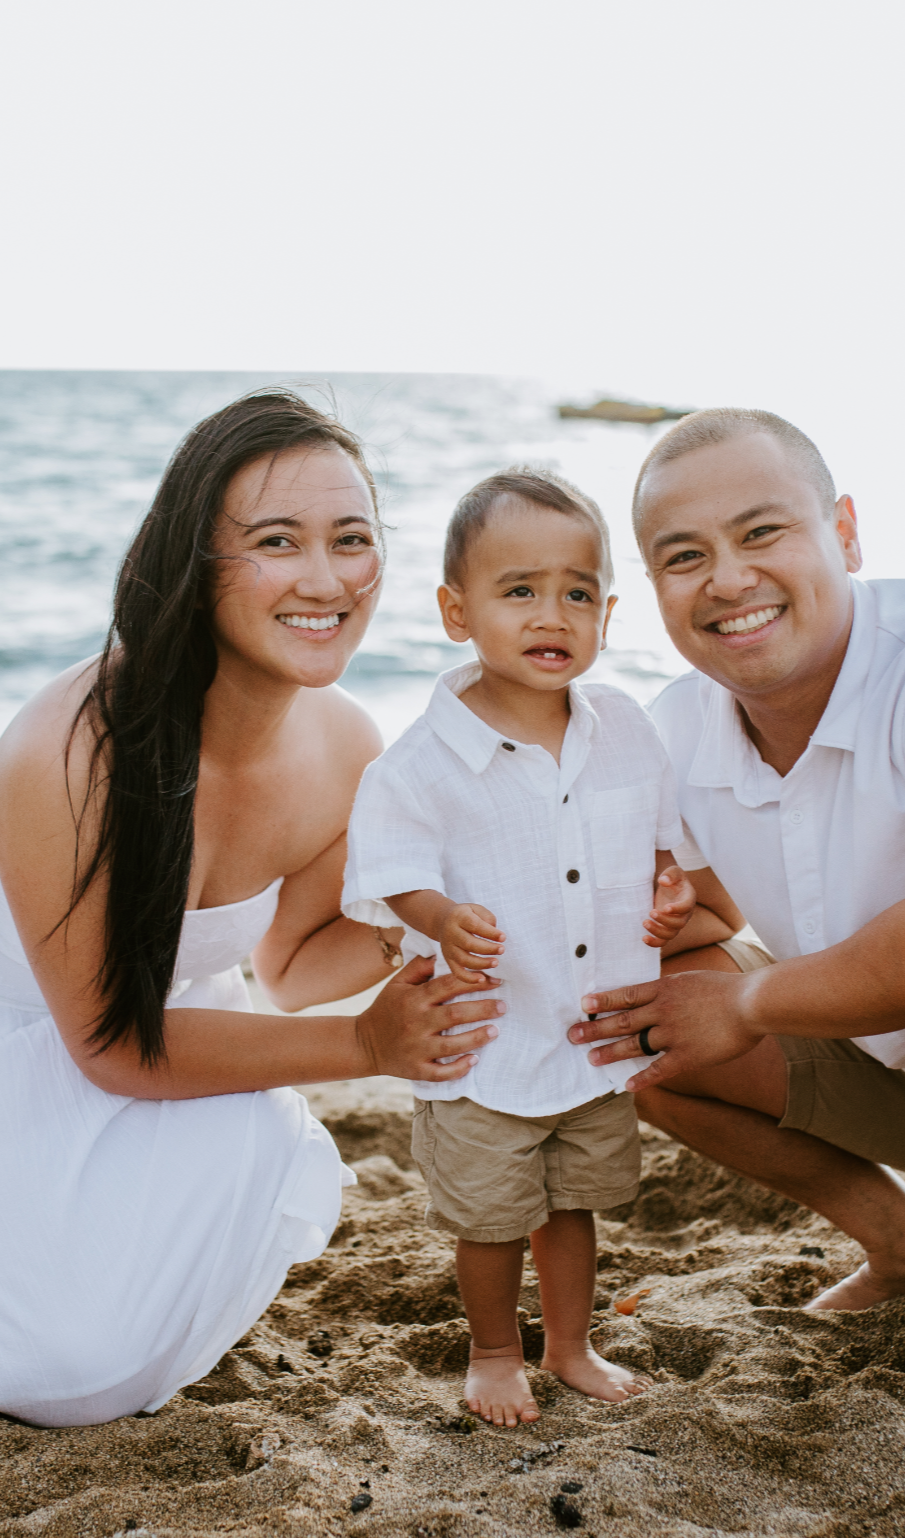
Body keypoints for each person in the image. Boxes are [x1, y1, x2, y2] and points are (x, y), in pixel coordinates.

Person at [0, 389, 502, 1428]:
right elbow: (110, 1045)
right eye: (277, 542)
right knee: (71, 1364)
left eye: (352, 540)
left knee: (239, 1158)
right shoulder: (74, 750)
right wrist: (370, 1045)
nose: (325, 580)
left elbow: (289, 967)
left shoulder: (345, 748)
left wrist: (425, 915)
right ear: (195, 563)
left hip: (159, 1037)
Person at [567, 408, 905, 1434]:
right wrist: (665, 916)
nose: (727, 579)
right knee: (624, 1024)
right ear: (651, 592)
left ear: (845, 532)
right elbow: (715, 905)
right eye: (686, 556)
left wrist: (751, 1000)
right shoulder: (679, 727)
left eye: (761, 533)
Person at [341, 468, 746, 1427]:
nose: (548, 612)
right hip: (487, 1039)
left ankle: (571, 1344)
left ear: (607, 612)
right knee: (489, 1218)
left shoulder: (627, 733)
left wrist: (669, 889)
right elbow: (386, 872)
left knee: (574, 1205)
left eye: (575, 592)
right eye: (517, 591)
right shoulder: (421, 762)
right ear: (456, 610)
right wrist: (439, 917)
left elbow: (663, 850)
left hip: (588, 1034)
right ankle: (492, 1351)